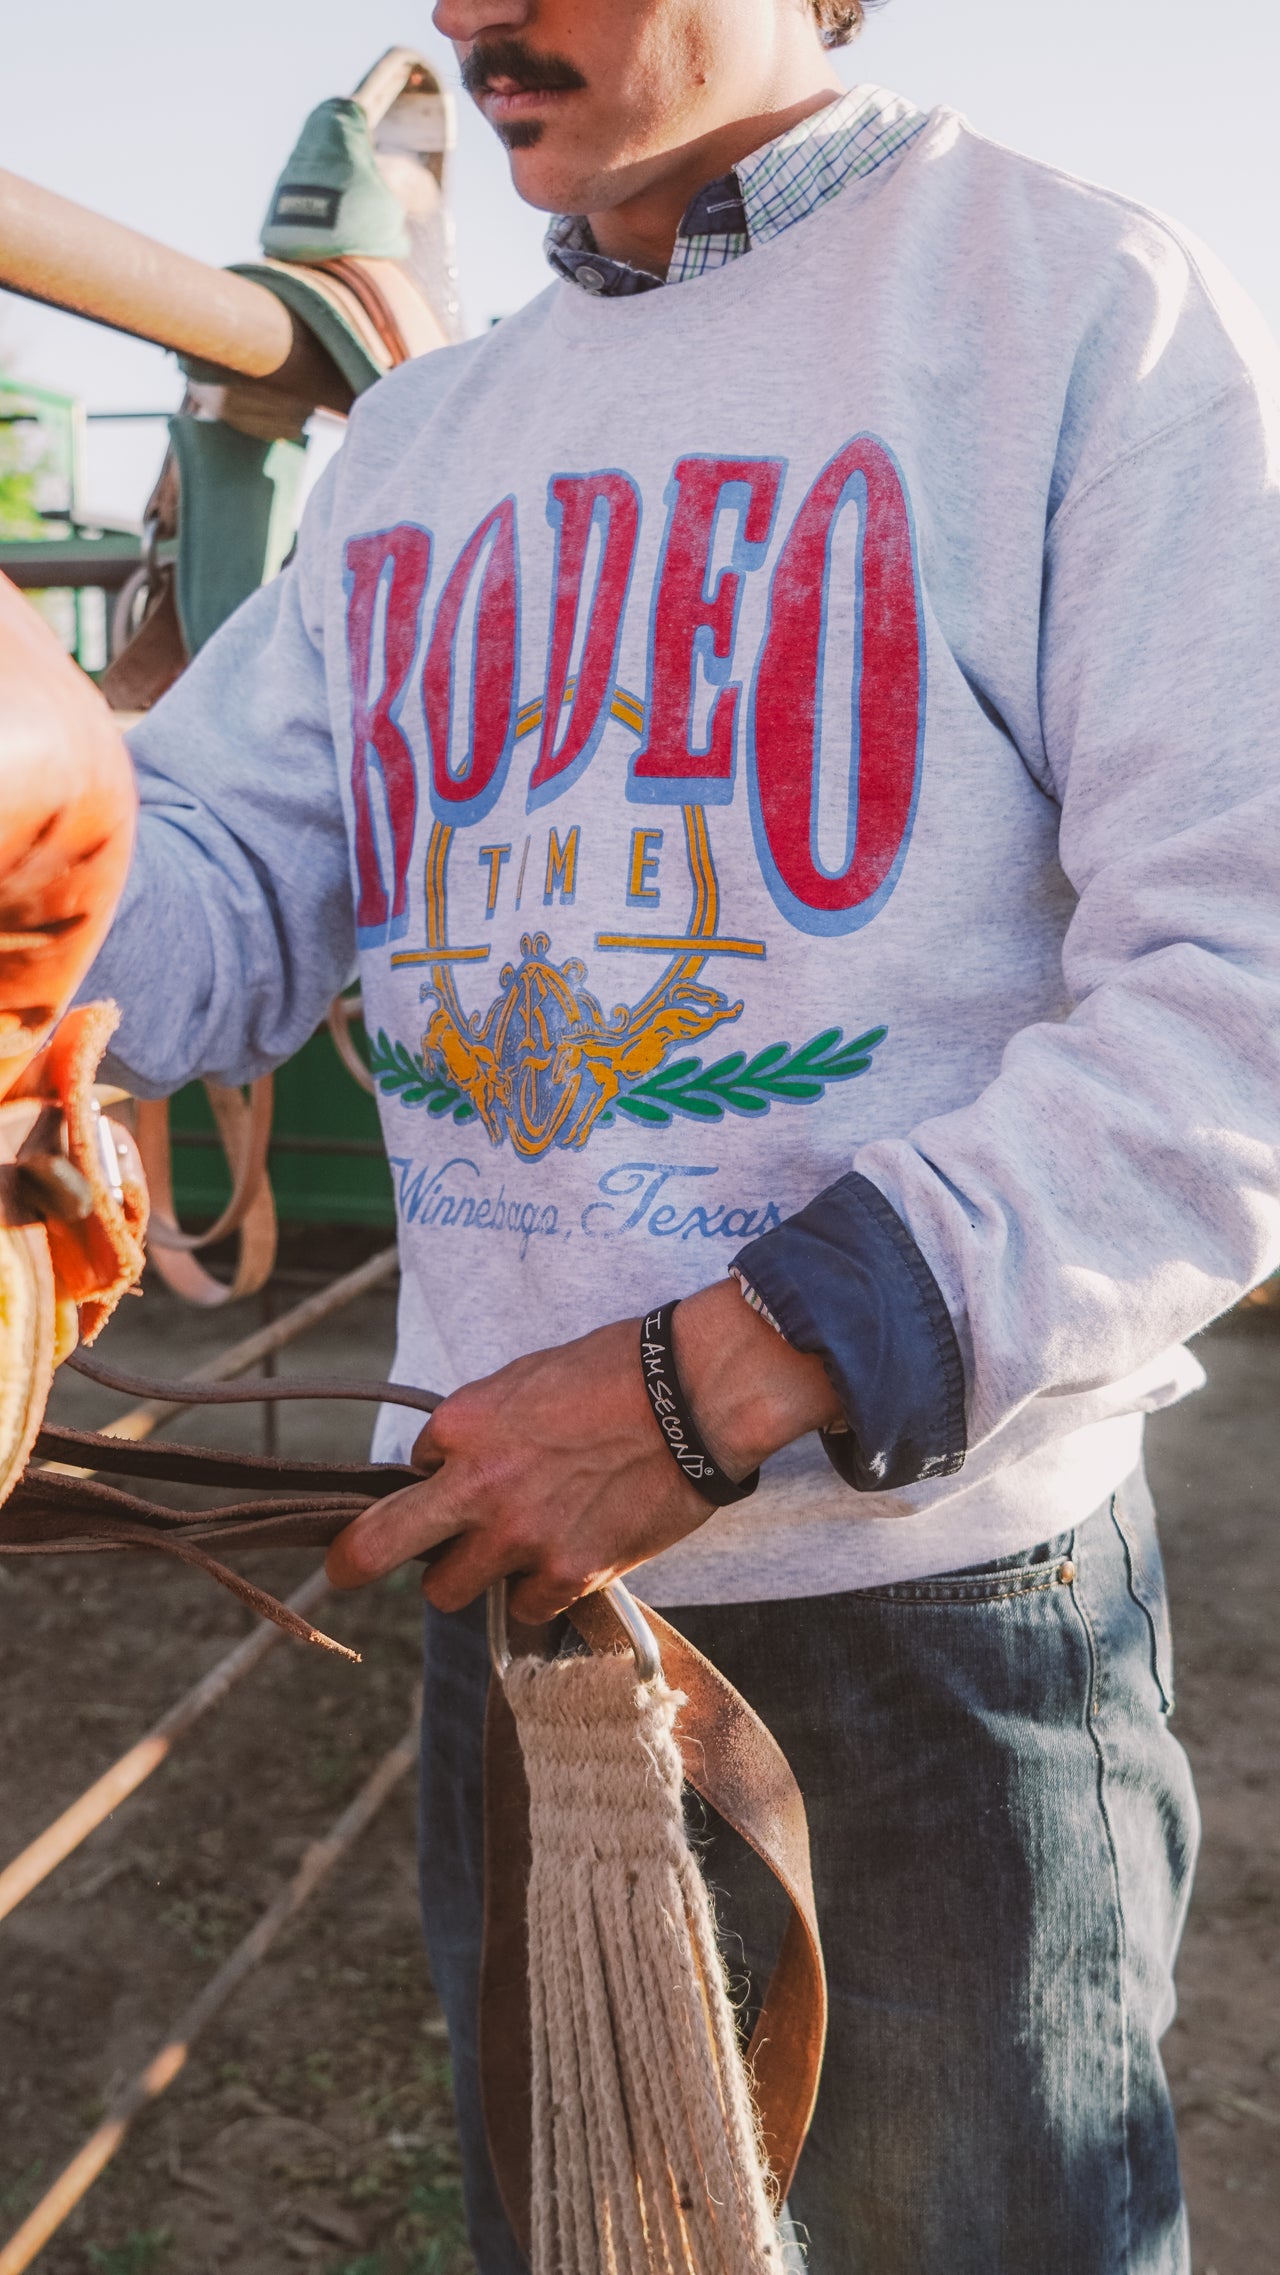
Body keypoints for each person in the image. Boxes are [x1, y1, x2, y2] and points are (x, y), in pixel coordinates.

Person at [83, 1, 1280, 2267]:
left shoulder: (1076, 316)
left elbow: (1247, 1001)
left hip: (931, 1621)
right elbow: (223, 908)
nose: (471, 16)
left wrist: (692, 1387)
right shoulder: (427, 436)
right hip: (516, 1581)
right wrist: (37, 803)